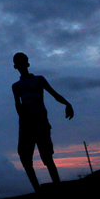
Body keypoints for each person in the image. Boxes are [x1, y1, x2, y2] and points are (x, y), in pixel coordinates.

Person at [12, 52, 73, 191]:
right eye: (18, 63)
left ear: (27, 64)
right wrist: (24, 120)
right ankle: (37, 190)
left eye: (23, 62)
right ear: (15, 66)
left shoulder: (39, 80)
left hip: (40, 123)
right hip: (26, 126)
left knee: (47, 157)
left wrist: (67, 104)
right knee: (25, 159)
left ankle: (57, 187)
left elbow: (54, 94)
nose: (21, 65)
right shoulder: (16, 86)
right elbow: (18, 105)